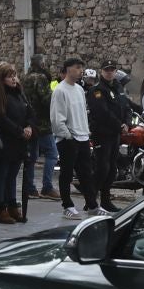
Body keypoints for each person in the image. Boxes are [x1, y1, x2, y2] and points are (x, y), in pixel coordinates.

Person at [0, 63, 32, 223]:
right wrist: (19, 130)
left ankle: (12, 205)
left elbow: (29, 111)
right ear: (1, 78)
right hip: (4, 142)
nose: (14, 78)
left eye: (15, 75)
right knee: (1, 175)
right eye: (10, 76)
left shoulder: (19, 92)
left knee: (12, 175)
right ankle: (1, 208)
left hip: (18, 142)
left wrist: (29, 127)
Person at [50, 57, 97, 218]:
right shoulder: (60, 90)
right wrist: (67, 136)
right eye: (77, 67)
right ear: (68, 69)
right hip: (68, 139)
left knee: (86, 173)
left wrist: (86, 131)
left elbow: (83, 112)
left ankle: (92, 205)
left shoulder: (78, 89)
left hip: (83, 137)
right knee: (67, 173)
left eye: (81, 68)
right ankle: (67, 206)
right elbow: (57, 118)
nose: (80, 71)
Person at [87, 61, 132, 214]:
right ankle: (91, 200)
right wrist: (120, 125)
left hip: (115, 135)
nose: (110, 72)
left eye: (112, 70)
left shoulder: (118, 87)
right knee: (102, 168)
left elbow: (126, 106)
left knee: (112, 168)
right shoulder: (97, 90)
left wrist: (127, 123)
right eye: (107, 70)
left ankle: (106, 201)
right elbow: (102, 112)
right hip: (102, 134)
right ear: (102, 71)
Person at [22, 57, 57, 200]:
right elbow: (47, 99)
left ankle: (30, 188)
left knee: (32, 156)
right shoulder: (41, 78)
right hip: (42, 123)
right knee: (52, 153)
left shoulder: (25, 77)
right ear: (42, 64)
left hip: (29, 121)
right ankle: (47, 187)